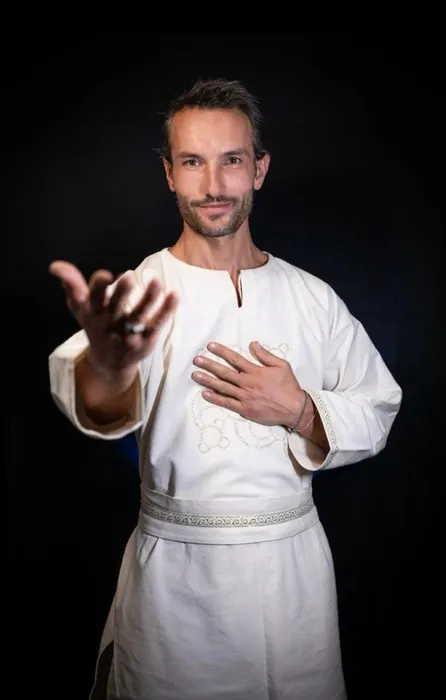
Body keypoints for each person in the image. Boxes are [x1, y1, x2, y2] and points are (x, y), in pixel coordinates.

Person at [48, 78, 402, 700]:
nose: (213, 185)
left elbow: (378, 405)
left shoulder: (313, 298)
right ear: (169, 174)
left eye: (231, 160)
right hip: (177, 589)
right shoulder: (138, 296)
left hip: (294, 581)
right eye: (193, 162)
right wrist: (111, 366)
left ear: (259, 169)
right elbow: (98, 404)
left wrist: (300, 411)